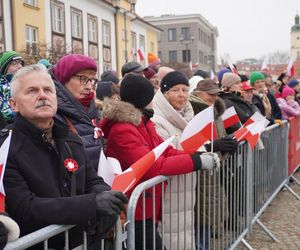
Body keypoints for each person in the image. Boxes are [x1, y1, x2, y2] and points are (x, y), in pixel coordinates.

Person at [2, 64, 128, 249]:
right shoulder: (6, 147)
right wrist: (91, 206)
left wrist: (106, 197)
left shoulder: (70, 138)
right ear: (14, 104)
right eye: (32, 91)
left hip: (82, 242)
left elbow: (91, 180)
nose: (42, 95)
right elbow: (25, 208)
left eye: (47, 90)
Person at [100, 74, 220, 250]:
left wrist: (197, 155)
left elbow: (166, 151)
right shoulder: (123, 130)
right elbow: (152, 166)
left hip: (148, 206)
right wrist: (196, 162)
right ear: (143, 100)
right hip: (135, 209)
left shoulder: (143, 123)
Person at [50, 54, 102, 171]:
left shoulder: (90, 107)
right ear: (64, 78)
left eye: (92, 80)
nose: (89, 87)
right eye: (83, 79)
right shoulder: (51, 113)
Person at [0, 51, 24, 125]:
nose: (20, 66)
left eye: (20, 63)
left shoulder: (23, 83)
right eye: (15, 63)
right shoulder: (2, 87)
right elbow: (4, 112)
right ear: (4, 68)